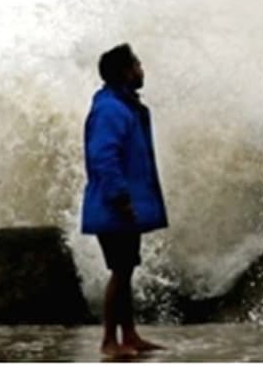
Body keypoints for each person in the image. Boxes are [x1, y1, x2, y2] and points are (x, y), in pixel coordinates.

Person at [81, 43, 169, 358]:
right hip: (113, 205)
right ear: (125, 71)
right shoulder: (110, 109)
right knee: (120, 271)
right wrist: (120, 198)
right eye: (137, 64)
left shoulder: (123, 105)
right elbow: (103, 156)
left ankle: (129, 335)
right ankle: (109, 341)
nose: (142, 69)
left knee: (126, 268)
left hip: (120, 204)